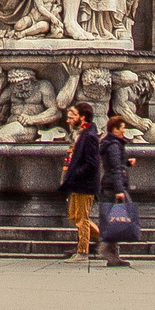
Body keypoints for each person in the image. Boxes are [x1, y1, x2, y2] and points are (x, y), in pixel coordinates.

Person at [59, 101, 102, 262]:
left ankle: (83, 252)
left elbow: (92, 163)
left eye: (72, 117)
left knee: (81, 218)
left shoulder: (89, 136)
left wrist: (76, 173)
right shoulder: (83, 134)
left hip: (85, 184)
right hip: (77, 183)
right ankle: (103, 240)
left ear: (83, 118)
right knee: (73, 215)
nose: (69, 121)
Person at [99, 112, 136, 268]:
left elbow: (115, 165)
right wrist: (119, 190)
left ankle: (113, 254)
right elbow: (115, 168)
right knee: (117, 219)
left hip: (110, 184)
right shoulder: (114, 145)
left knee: (113, 219)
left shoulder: (111, 143)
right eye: (122, 128)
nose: (124, 131)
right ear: (115, 130)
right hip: (113, 187)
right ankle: (109, 252)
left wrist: (127, 163)